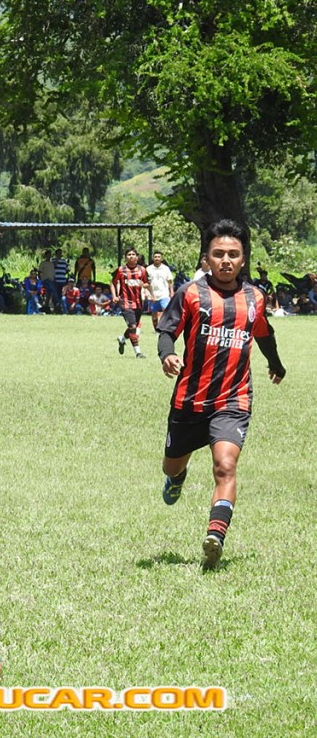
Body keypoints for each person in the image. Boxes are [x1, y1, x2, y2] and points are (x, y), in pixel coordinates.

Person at [156, 220, 285, 570]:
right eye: (218, 254)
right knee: (171, 464)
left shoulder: (254, 297)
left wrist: (276, 364)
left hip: (233, 400)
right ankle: (177, 477)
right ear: (206, 258)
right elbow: (167, 330)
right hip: (190, 400)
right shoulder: (190, 293)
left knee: (225, 466)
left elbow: (263, 333)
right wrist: (167, 354)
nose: (226, 260)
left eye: (233, 254)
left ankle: (215, 536)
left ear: (243, 259)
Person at [111, 248, 152, 357]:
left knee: (132, 327)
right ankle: (138, 352)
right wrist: (114, 296)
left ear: (137, 257)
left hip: (138, 303)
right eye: (129, 254)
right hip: (125, 303)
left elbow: (147, 283)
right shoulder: (121, 270)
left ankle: (122, 338)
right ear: (125, 257)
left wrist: (144, 286)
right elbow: (113, 283)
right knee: (133, 327)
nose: (131, 256)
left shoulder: (142, 270)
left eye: (133, 254)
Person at [146, 251, 175, 331]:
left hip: (164, 294)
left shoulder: (166, 269)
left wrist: (171, 292)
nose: (157, 258)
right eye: (155, 257)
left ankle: (165, 327)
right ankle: (156, 330)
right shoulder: (148, 269)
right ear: (153, 258)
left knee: (166, 310)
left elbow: (170, 281)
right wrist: (146, 292)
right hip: (153, 295)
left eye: (159, 257)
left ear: (161, 258)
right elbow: (146, 282)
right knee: (154, 315)